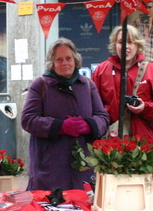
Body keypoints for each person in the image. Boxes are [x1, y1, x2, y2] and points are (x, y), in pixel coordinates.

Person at [21, 38, 109, 191]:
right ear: (52, 63)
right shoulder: (40, 85)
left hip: (83, 167)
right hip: (49, 167)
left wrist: (90, 125)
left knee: (83, 207)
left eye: (68, 58)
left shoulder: (87, 85)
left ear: (75, 59)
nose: (65, 63)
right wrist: (60, 126)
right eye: (59, 59)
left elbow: (103, 117)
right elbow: (28, 119)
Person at [92, 25, 153, 140]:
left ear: (137, 45)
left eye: (130, 42)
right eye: (121, 42)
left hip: (145, 143)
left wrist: (145, 107)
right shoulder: (101, 71)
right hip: (111, 141)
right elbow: (93, 107)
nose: (125, 46)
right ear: (115, 44)